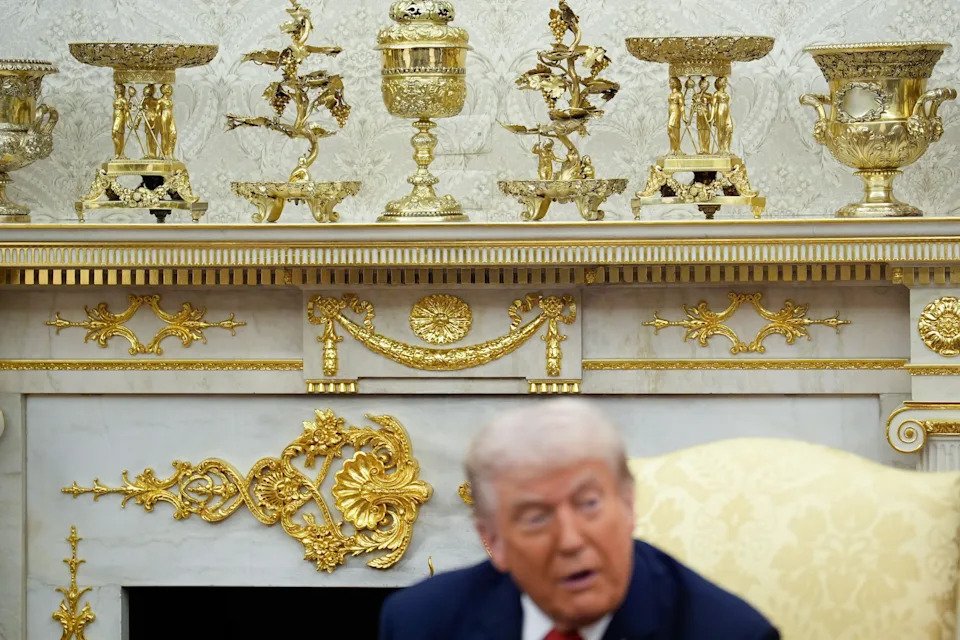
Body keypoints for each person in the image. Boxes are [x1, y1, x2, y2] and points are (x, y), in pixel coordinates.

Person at [378, 399, 779, 640]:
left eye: (589, 505)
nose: (571, 540)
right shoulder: (420, 624)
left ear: (628, 504)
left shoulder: (728, 632)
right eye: (536, 518)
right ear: (493, 540)